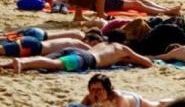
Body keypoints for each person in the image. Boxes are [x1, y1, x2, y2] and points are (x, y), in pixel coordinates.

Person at [2, 39, 152, 73]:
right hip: (86, 59)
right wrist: (132, 58)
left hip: (73, 49)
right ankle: (22, 64)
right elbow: (147, 63)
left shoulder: (101, 44)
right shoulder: (123, 49)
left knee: (46, 61)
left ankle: (5, 65)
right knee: (56, 65)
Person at [82, 74, 170, 107]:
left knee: (157, 106)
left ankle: (173, 102)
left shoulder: (117, 98)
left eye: (99, 89)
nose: (95, 92)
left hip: (134, 102)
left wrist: (97, 104)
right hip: (124, 96)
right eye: (92, 89)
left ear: (106, 90)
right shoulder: (89, 96)